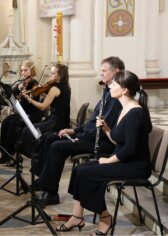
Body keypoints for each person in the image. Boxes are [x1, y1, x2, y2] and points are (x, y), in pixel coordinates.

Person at [56, 70, 152, 235]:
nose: (110, 86)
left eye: (114, 84)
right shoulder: (125, 108)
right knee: (79, 169)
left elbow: (129, 149)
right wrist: (107, 130)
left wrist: (109, 161)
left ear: (124, 90)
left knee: (88, 174)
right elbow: (118, 139)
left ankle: (105, 218)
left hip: (135, 165)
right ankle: (77, 217)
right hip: (124, 160)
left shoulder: (135, 113)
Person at [35, 56, 124, 206]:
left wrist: (79, 136)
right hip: (91, 136)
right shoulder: (107, 92)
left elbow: (102, 129)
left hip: (104, 142)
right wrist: (74, 130)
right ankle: (43, 181)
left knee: (58, 146)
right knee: (51, 138)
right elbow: (92, 122)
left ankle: (51, 193)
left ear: (116, 71)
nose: (101, 74)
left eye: (104, 70)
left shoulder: (115, 97)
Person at [18, 63, 71, 158]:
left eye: (53, 73)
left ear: (60, 75)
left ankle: (34, 154)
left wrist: (30, 99)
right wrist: (37, 92)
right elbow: (52, 98)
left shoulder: (54, 88)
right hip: (62, 120)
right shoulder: (65, 87)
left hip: (56, 122)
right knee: (31, 130)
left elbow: (43, 106)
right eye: (50, 73)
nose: (50, 75)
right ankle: (39, 151)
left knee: (28, 130)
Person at [0, 60, 43, 164]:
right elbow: (11, 95)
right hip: (23, 113)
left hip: (32, 114)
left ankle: (12, 154)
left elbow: (33, 99)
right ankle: (5, 153)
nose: (23, 72)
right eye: (22, 70)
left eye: (26, 70)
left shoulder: (35, 84)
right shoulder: (21, 83)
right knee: (6, 121)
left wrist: (27, 94)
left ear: (31, 71)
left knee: (13, 124)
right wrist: (12, 90)